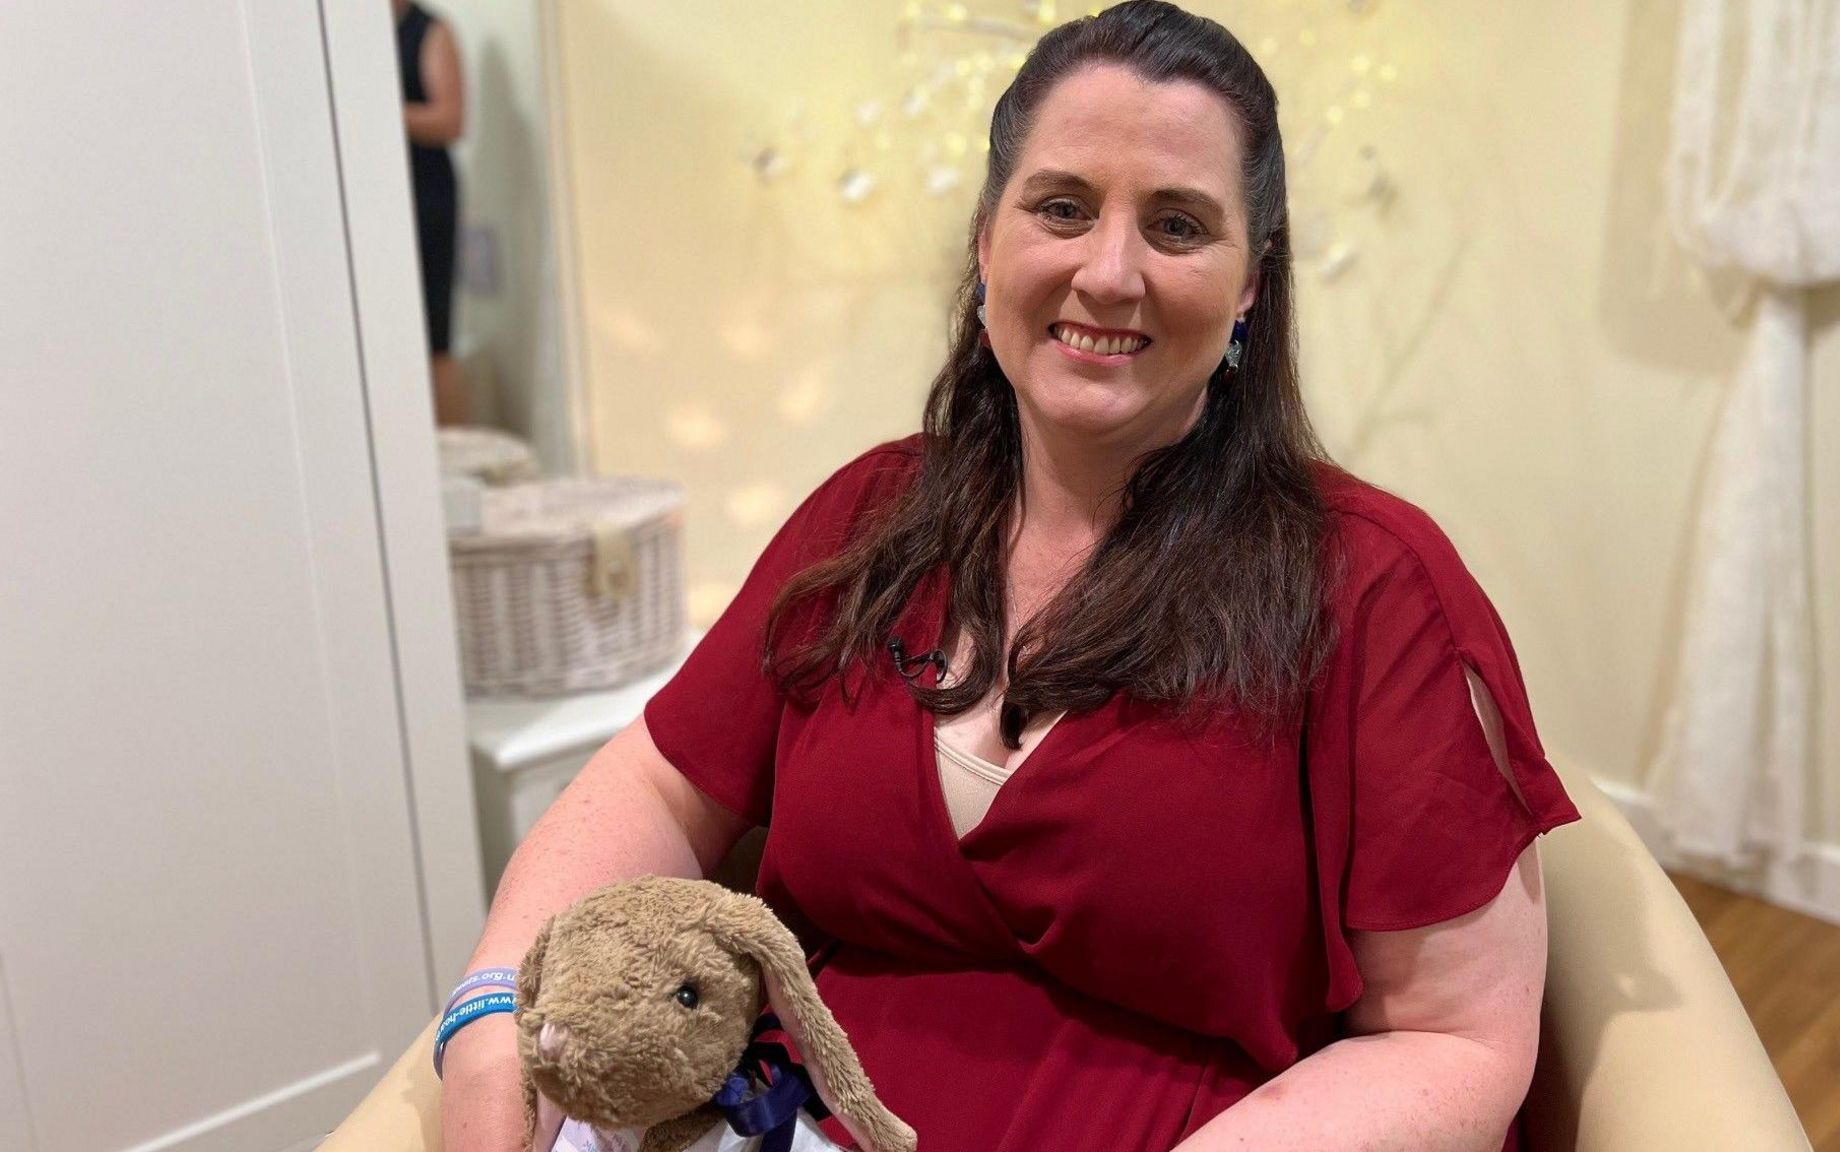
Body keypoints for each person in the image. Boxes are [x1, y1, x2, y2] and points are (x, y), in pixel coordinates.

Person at [439, 4, 1580, 1150]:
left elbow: (1456, 1043)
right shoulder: (869, 517)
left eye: (1177, 225)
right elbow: (657, 787)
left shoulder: (1375, 589)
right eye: (1062, 208)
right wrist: (494, 1014)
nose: (1109, 270)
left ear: (1249, 283)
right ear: (988, 241)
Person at [394, 0, 467, 425]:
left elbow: (451, 119)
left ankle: (457, 453)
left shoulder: (430, 31)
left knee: (435, 337)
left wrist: (382, 110)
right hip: (386, 192)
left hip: (427, 194)